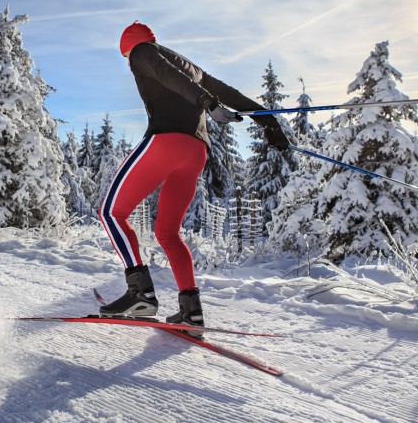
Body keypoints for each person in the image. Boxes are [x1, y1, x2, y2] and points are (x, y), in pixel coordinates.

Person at [98, 21, 289, 335]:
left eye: (126, 58)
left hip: (165, 142)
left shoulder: (142, 52)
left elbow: (166, 75)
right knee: (168, 232)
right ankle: (191, 311)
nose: (130, 64)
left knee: (111, 213)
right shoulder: (190, 66)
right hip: (196, 151)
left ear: (128, 48)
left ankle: (140, 295)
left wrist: (208, 104)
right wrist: (267, 120)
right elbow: (229, 92)